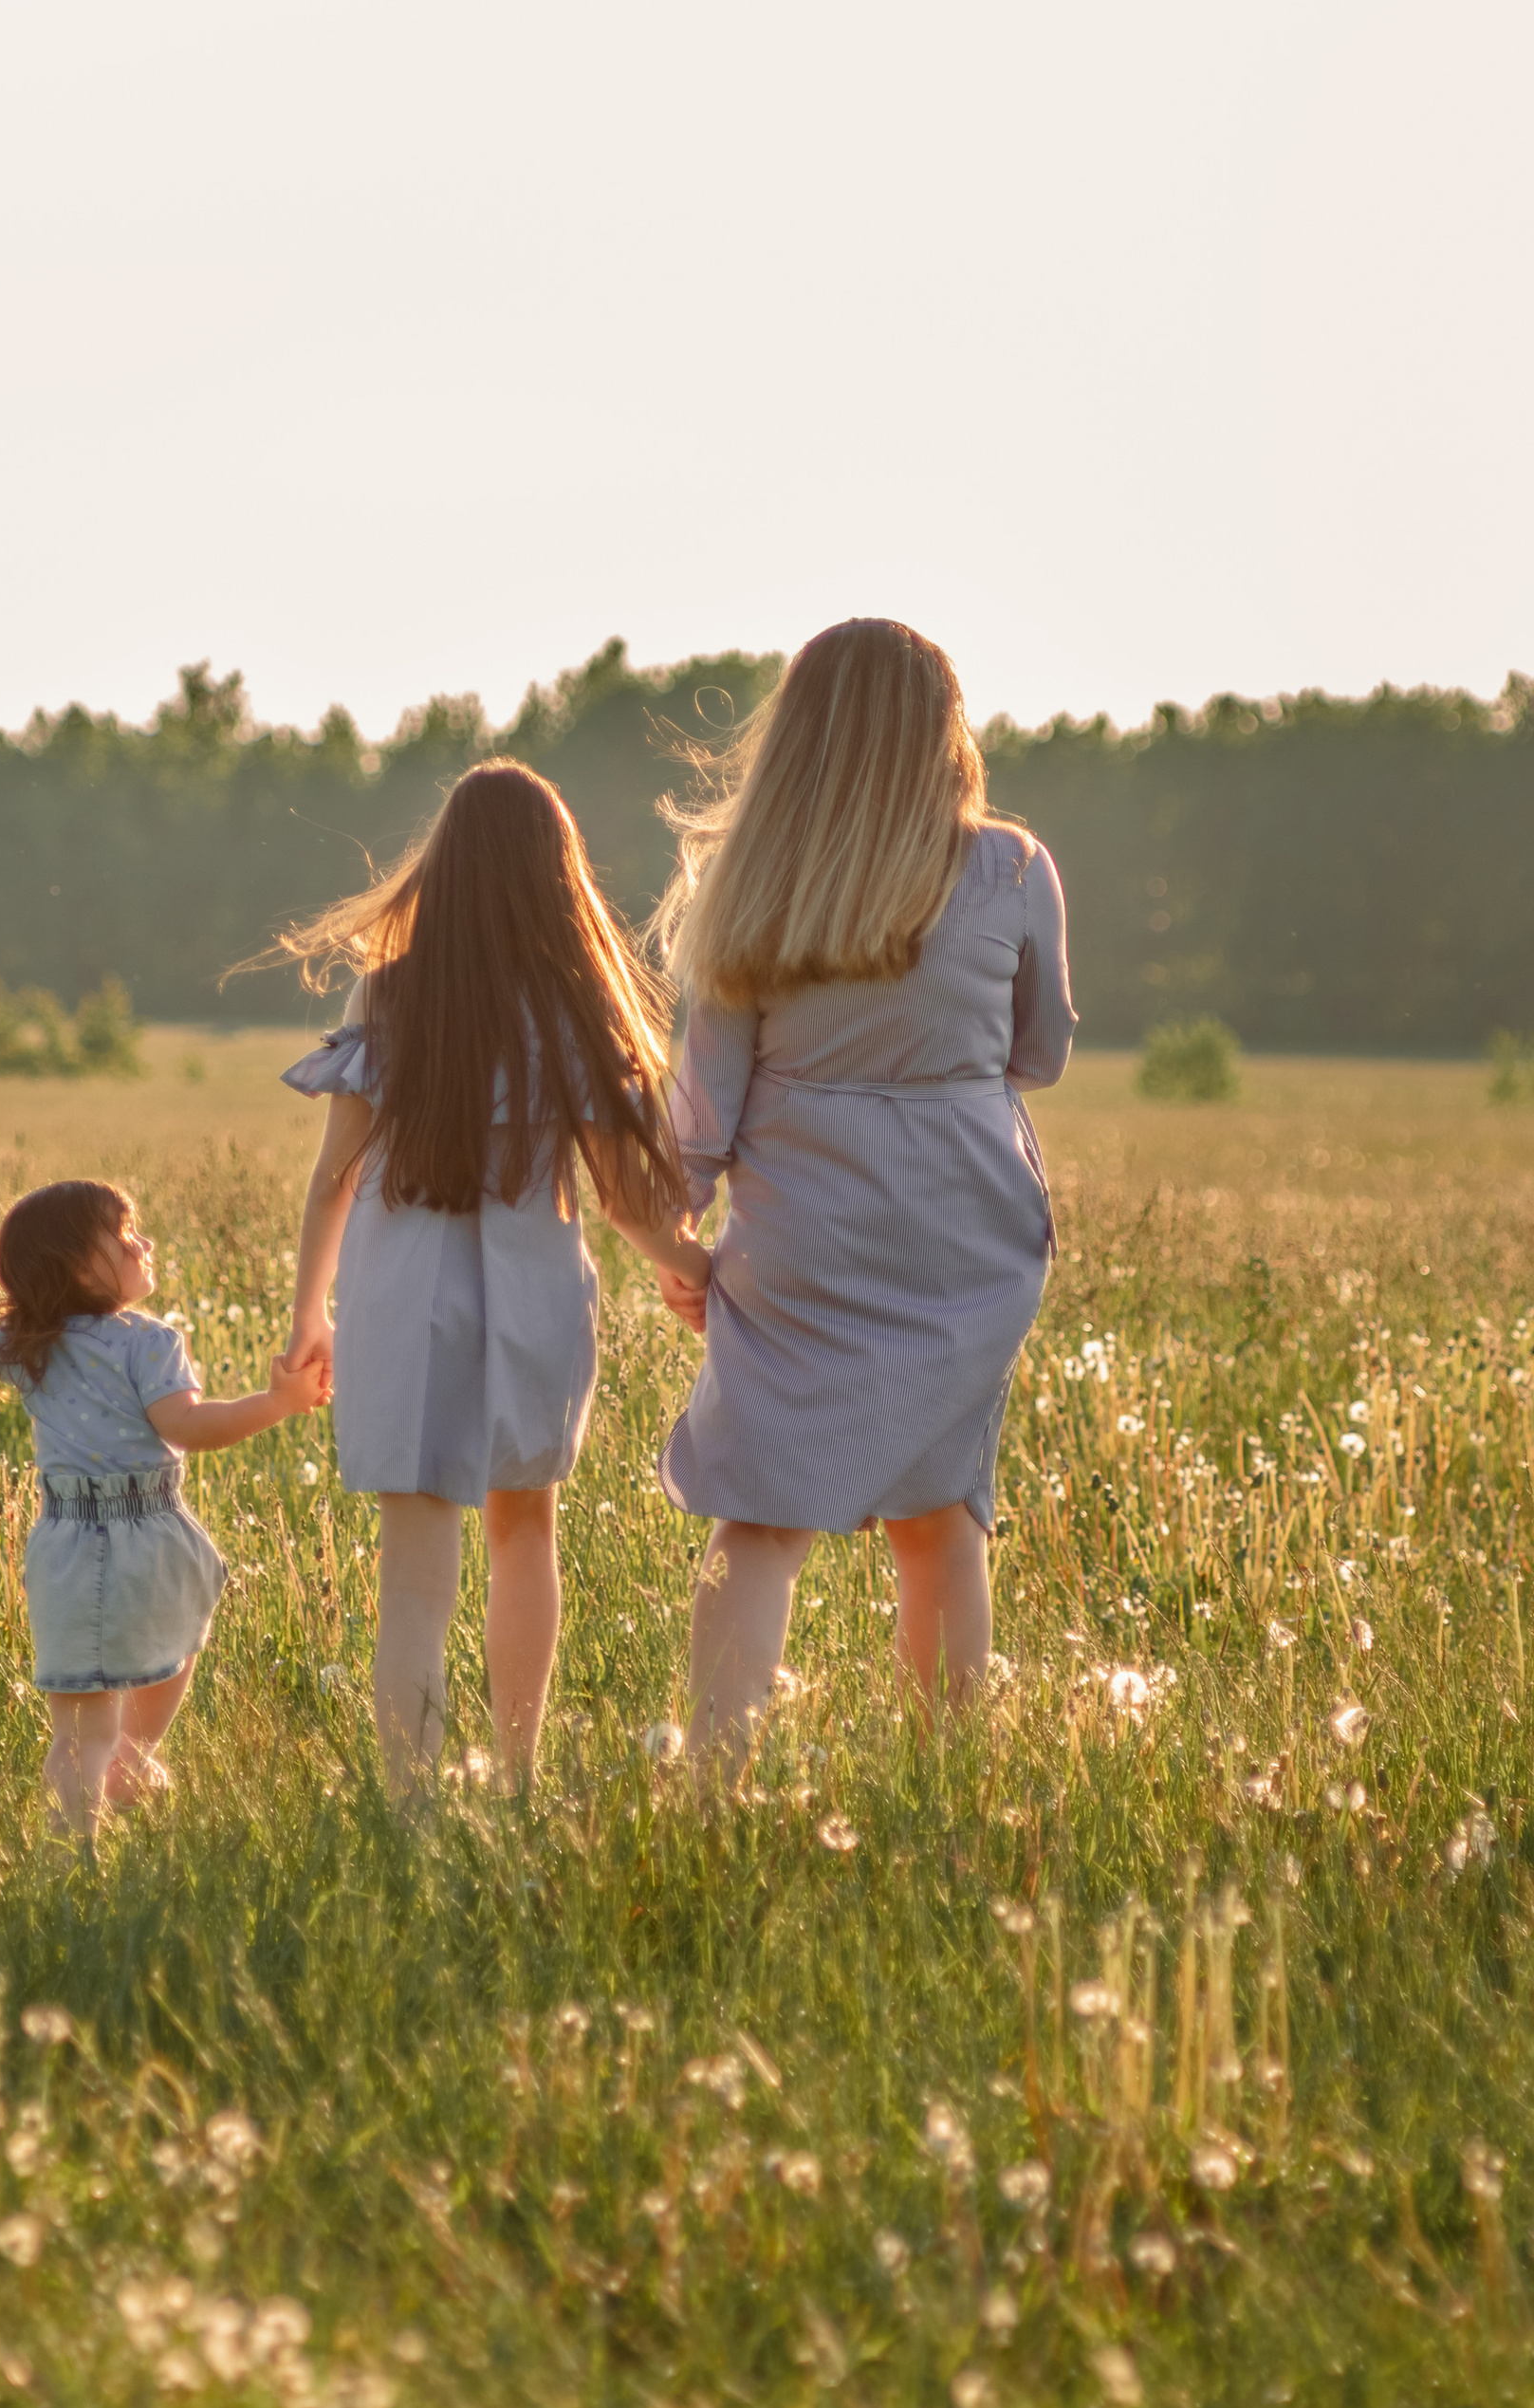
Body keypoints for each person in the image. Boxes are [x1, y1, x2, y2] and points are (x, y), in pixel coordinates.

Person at [652, 617, 1077, 1767]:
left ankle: (712, 1786)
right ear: (945, 731)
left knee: (758, 1521)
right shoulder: (1012, 868)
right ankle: (942, 1783)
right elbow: (1040, 1055)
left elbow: (700, 1116)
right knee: (942, 1520)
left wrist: (678, 1245)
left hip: (802, 1240)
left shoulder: (749, 879)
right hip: (967, 1236)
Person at [266, 760, 710, 1797]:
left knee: (413, 1580)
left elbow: (334, 1179)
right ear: (557, 873)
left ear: (444, 866)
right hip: (531, 1291)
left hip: (400, 1297)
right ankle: (517, 1776)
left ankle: (410, 1805)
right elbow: (624, 1199)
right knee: (525, 1530)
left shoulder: (388, 993)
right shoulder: (571, 1004)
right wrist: (696, 1270)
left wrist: (308, 1312)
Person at [0, 1181, 325, 1838]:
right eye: (123, 1236)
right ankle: (111, 1788)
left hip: (71, 1542)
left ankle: (90, 1813)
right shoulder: (147, 1343)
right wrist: (278, 1403)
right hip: (156, 1534)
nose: (142, 1242)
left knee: (79, 1726)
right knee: (176, 1642)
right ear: (74, 1266)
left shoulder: (28, 1345)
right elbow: (189, 1427)